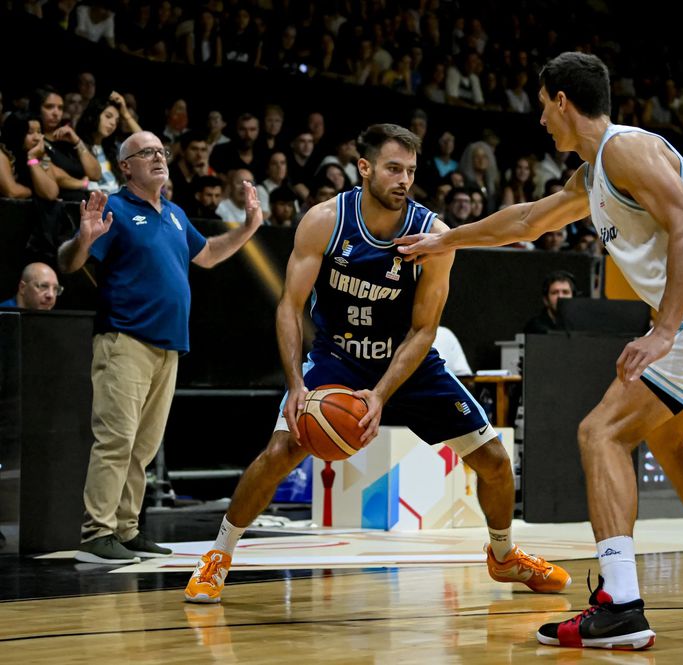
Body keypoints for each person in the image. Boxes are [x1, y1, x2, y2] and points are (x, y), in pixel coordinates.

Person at [397, 52, 683, 651]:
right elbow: (530, 219)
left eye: (541, 109)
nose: (540, 123)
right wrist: (447, 238)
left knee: (599, 432)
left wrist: (663, 329)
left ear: (561, 100)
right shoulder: (594, 175)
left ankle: (619, 605)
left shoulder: (626, 149)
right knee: (663, 437)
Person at [184, 123, 570, 603]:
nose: (403, 179)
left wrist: (382, 394)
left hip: (408, 365)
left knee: (495, 463)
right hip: (337, 357)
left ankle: (504, 555)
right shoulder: (326, 220)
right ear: (364, 168)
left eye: (410, 170)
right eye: (393, 169)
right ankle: (218, 555)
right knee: (279, 453)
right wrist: (295, 385)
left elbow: (424, 329)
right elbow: (289, 305)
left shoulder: (433, 234)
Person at [58, 131, 263, 565]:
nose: (158, 157)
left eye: (161, 151)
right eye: (146, 152)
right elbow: (69, 262)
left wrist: (247, 228)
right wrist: (84, 238)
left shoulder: (173, 213)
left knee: (143, 449)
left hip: (168, 347)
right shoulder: (113, 208)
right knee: (116, 440)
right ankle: (96, 534)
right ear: (126, 166)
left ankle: (126, 529)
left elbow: (206, 255)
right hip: (125, 339)